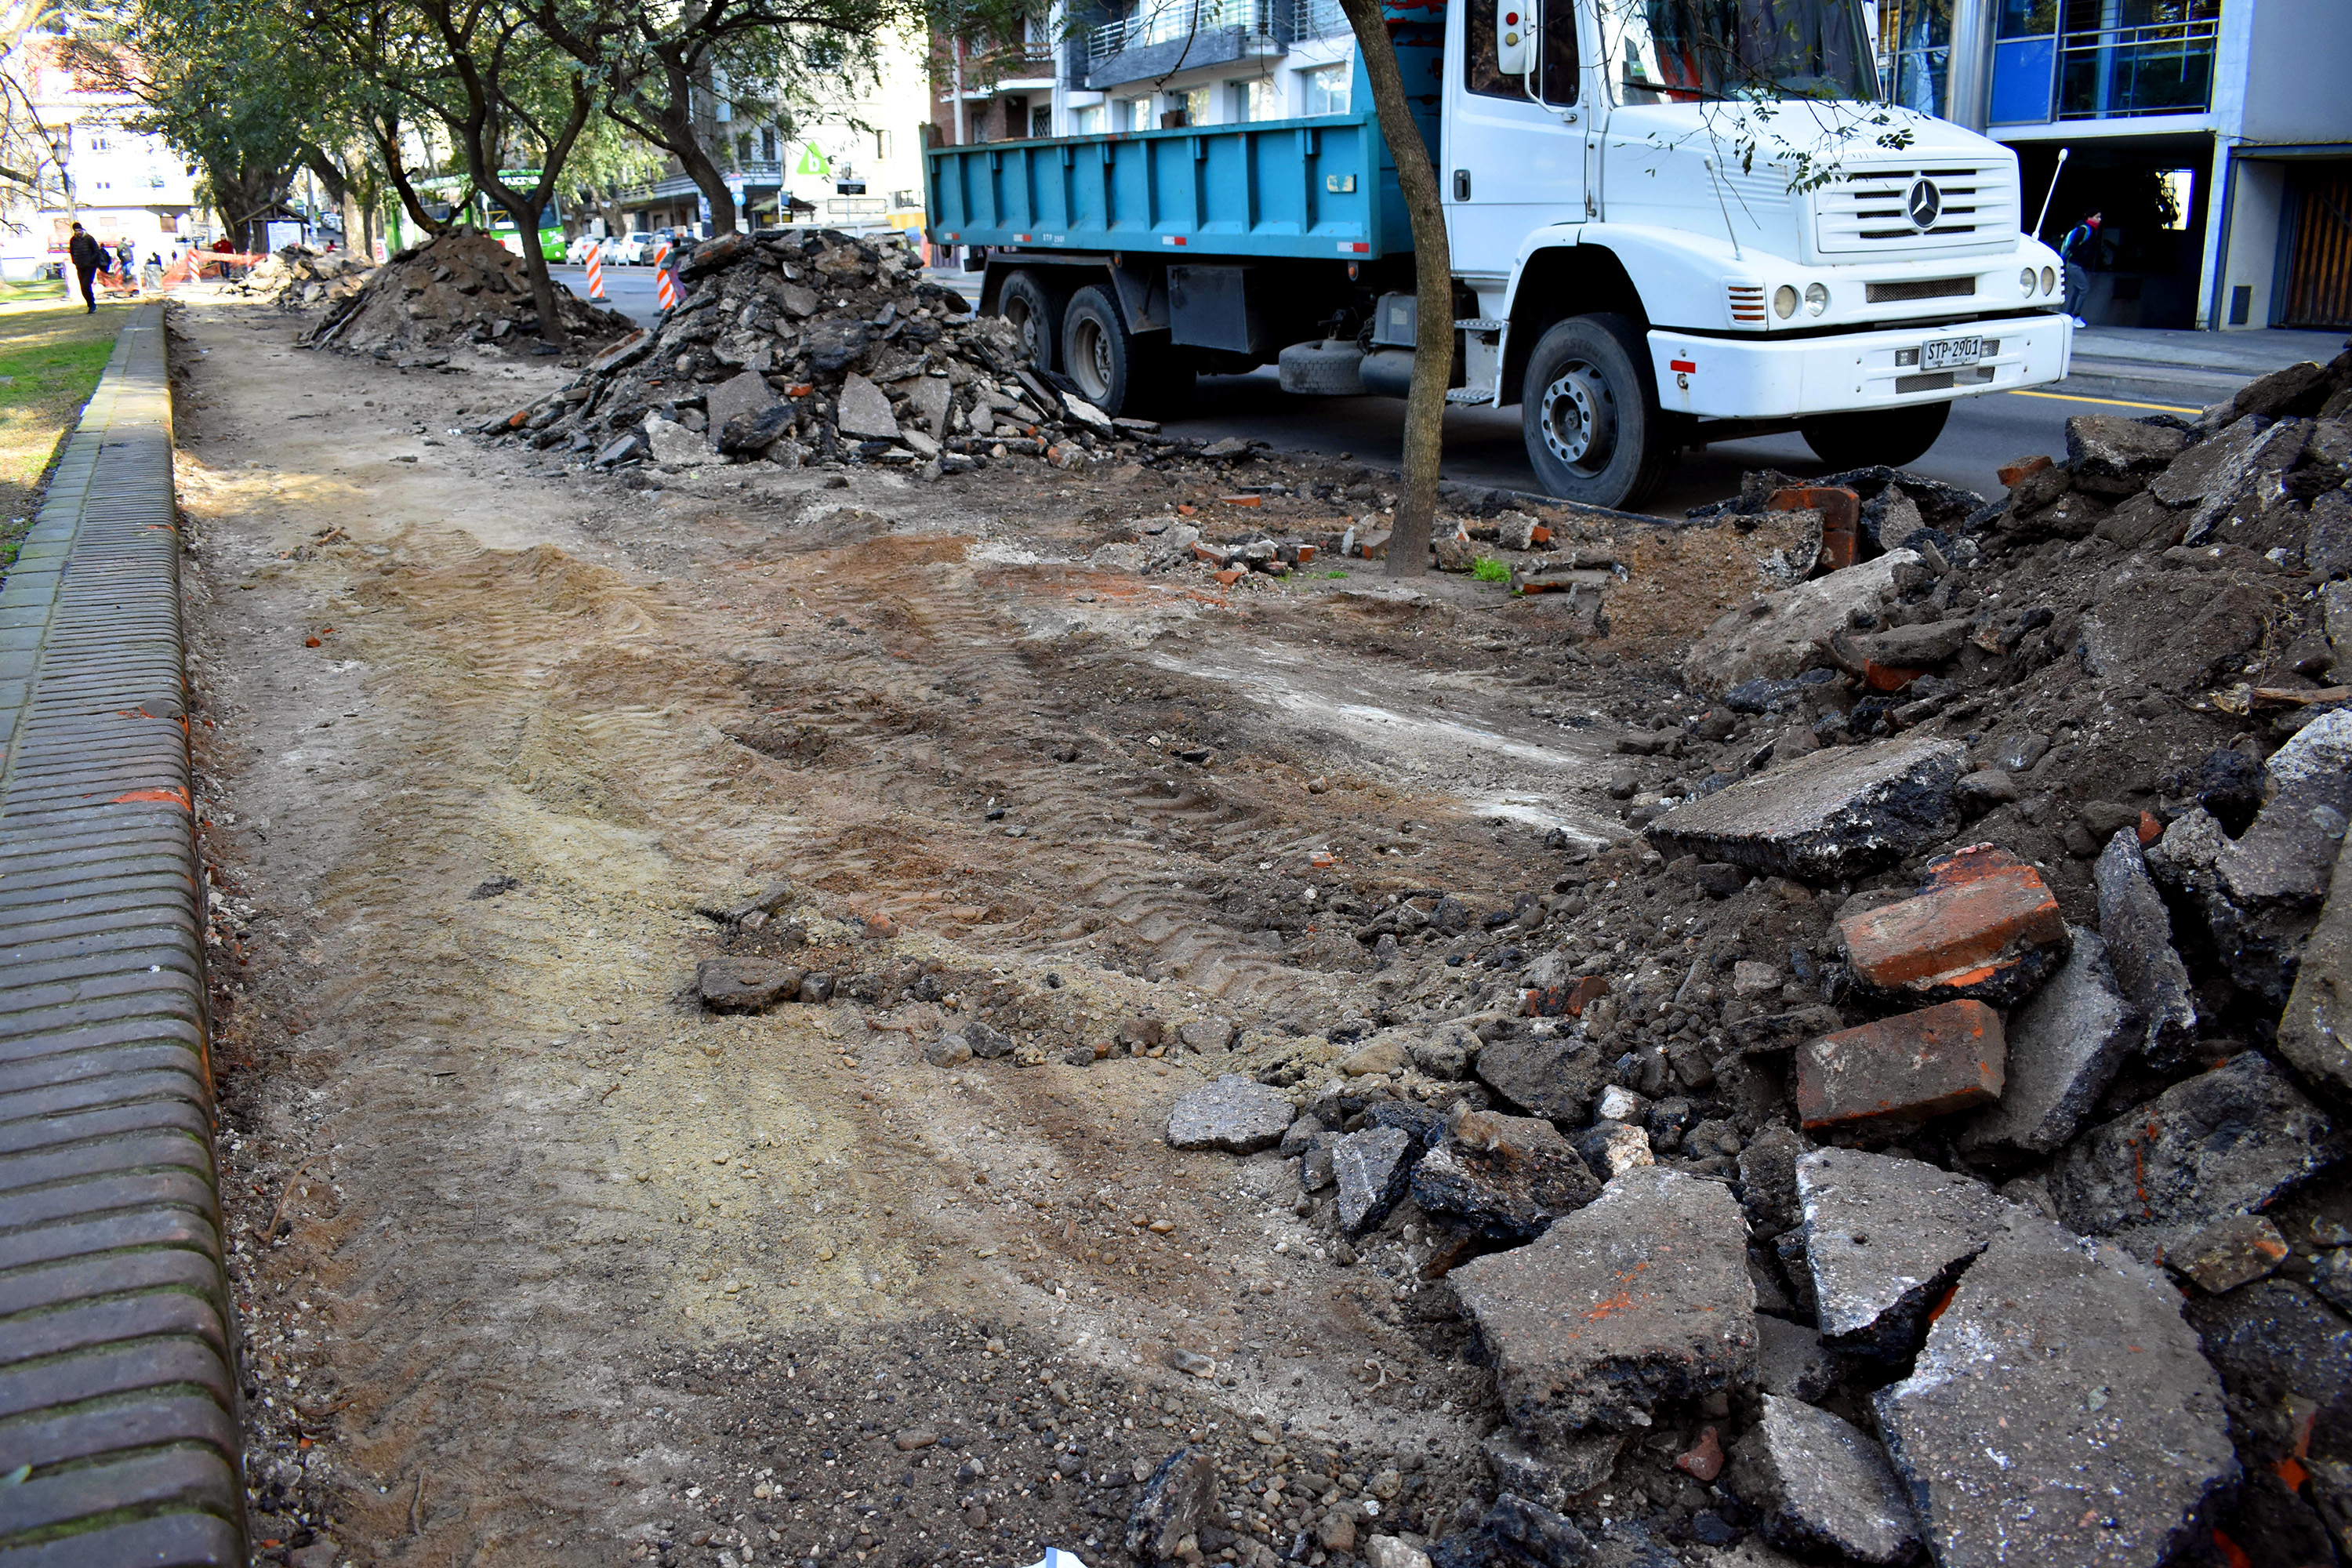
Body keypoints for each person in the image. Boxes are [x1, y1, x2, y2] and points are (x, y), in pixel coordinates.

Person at [2059, 210, 2102, 328]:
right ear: (2090, 217)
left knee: (2078, 290)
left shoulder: (2090, 230)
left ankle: (2069, 316)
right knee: (2084, 288)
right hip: (2075, 265)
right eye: (2097, 217)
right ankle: (2075, 315)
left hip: (2078, 265)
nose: (2099, 219)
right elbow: (2072, 246)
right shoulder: (2085, 230)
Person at [67, 222, 103, 313]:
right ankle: (90, 304)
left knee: (86, 284)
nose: (78, 232)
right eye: (76, 231)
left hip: (90, 266)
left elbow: (96, 251)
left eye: (79, 230)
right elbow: (72, 252)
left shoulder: (89, 239)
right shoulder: (73, 240)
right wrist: (75, 261)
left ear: (82, 230)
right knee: (83, 287)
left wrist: (90, 261)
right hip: (80, 266)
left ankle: (92, 304)